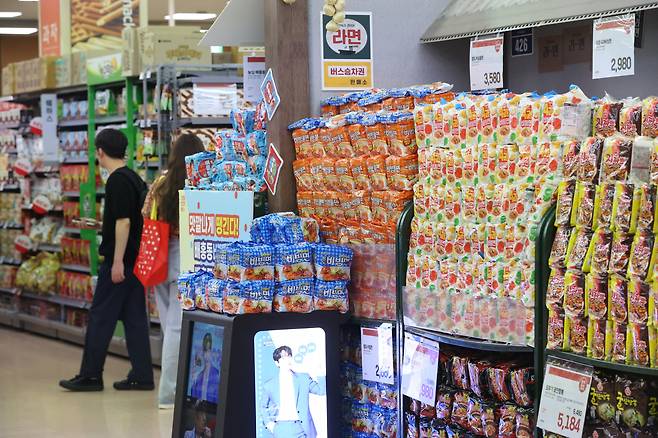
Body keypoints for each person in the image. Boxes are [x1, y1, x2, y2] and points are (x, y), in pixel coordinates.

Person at [59, 128, 153, 392]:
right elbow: (129, 220)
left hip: (121, 261)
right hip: (135, 259)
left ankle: (90, 375)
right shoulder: (134, 178)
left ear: (100, 152)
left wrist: (116, 262)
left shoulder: (117, 181)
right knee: (134, 318)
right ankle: (142, 374)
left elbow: (123, 223)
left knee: (100, 316)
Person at [141, 133, 205, 408]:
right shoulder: (201, 182)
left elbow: (145, 215)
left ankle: (174, 389)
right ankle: (171, 394)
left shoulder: (161, 182)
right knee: (179, 329)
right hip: (188, 256)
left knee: (170, 329)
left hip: (160, 255)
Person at [261, 346, 326, 438]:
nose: (288, 360)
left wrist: (320, 372)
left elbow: (321, 391)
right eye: (284, 357)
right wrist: (269, 424)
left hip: (303, 428)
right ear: (277, 363)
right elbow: (263, 406)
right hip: (281, 428)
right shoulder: (269, 385)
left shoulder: (303, 378)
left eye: (289, 356)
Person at [190, 332, 221, 404]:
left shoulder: (216, 374)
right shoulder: (199, 376)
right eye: (205, 351)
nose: (207, 354)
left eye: (209, 350)